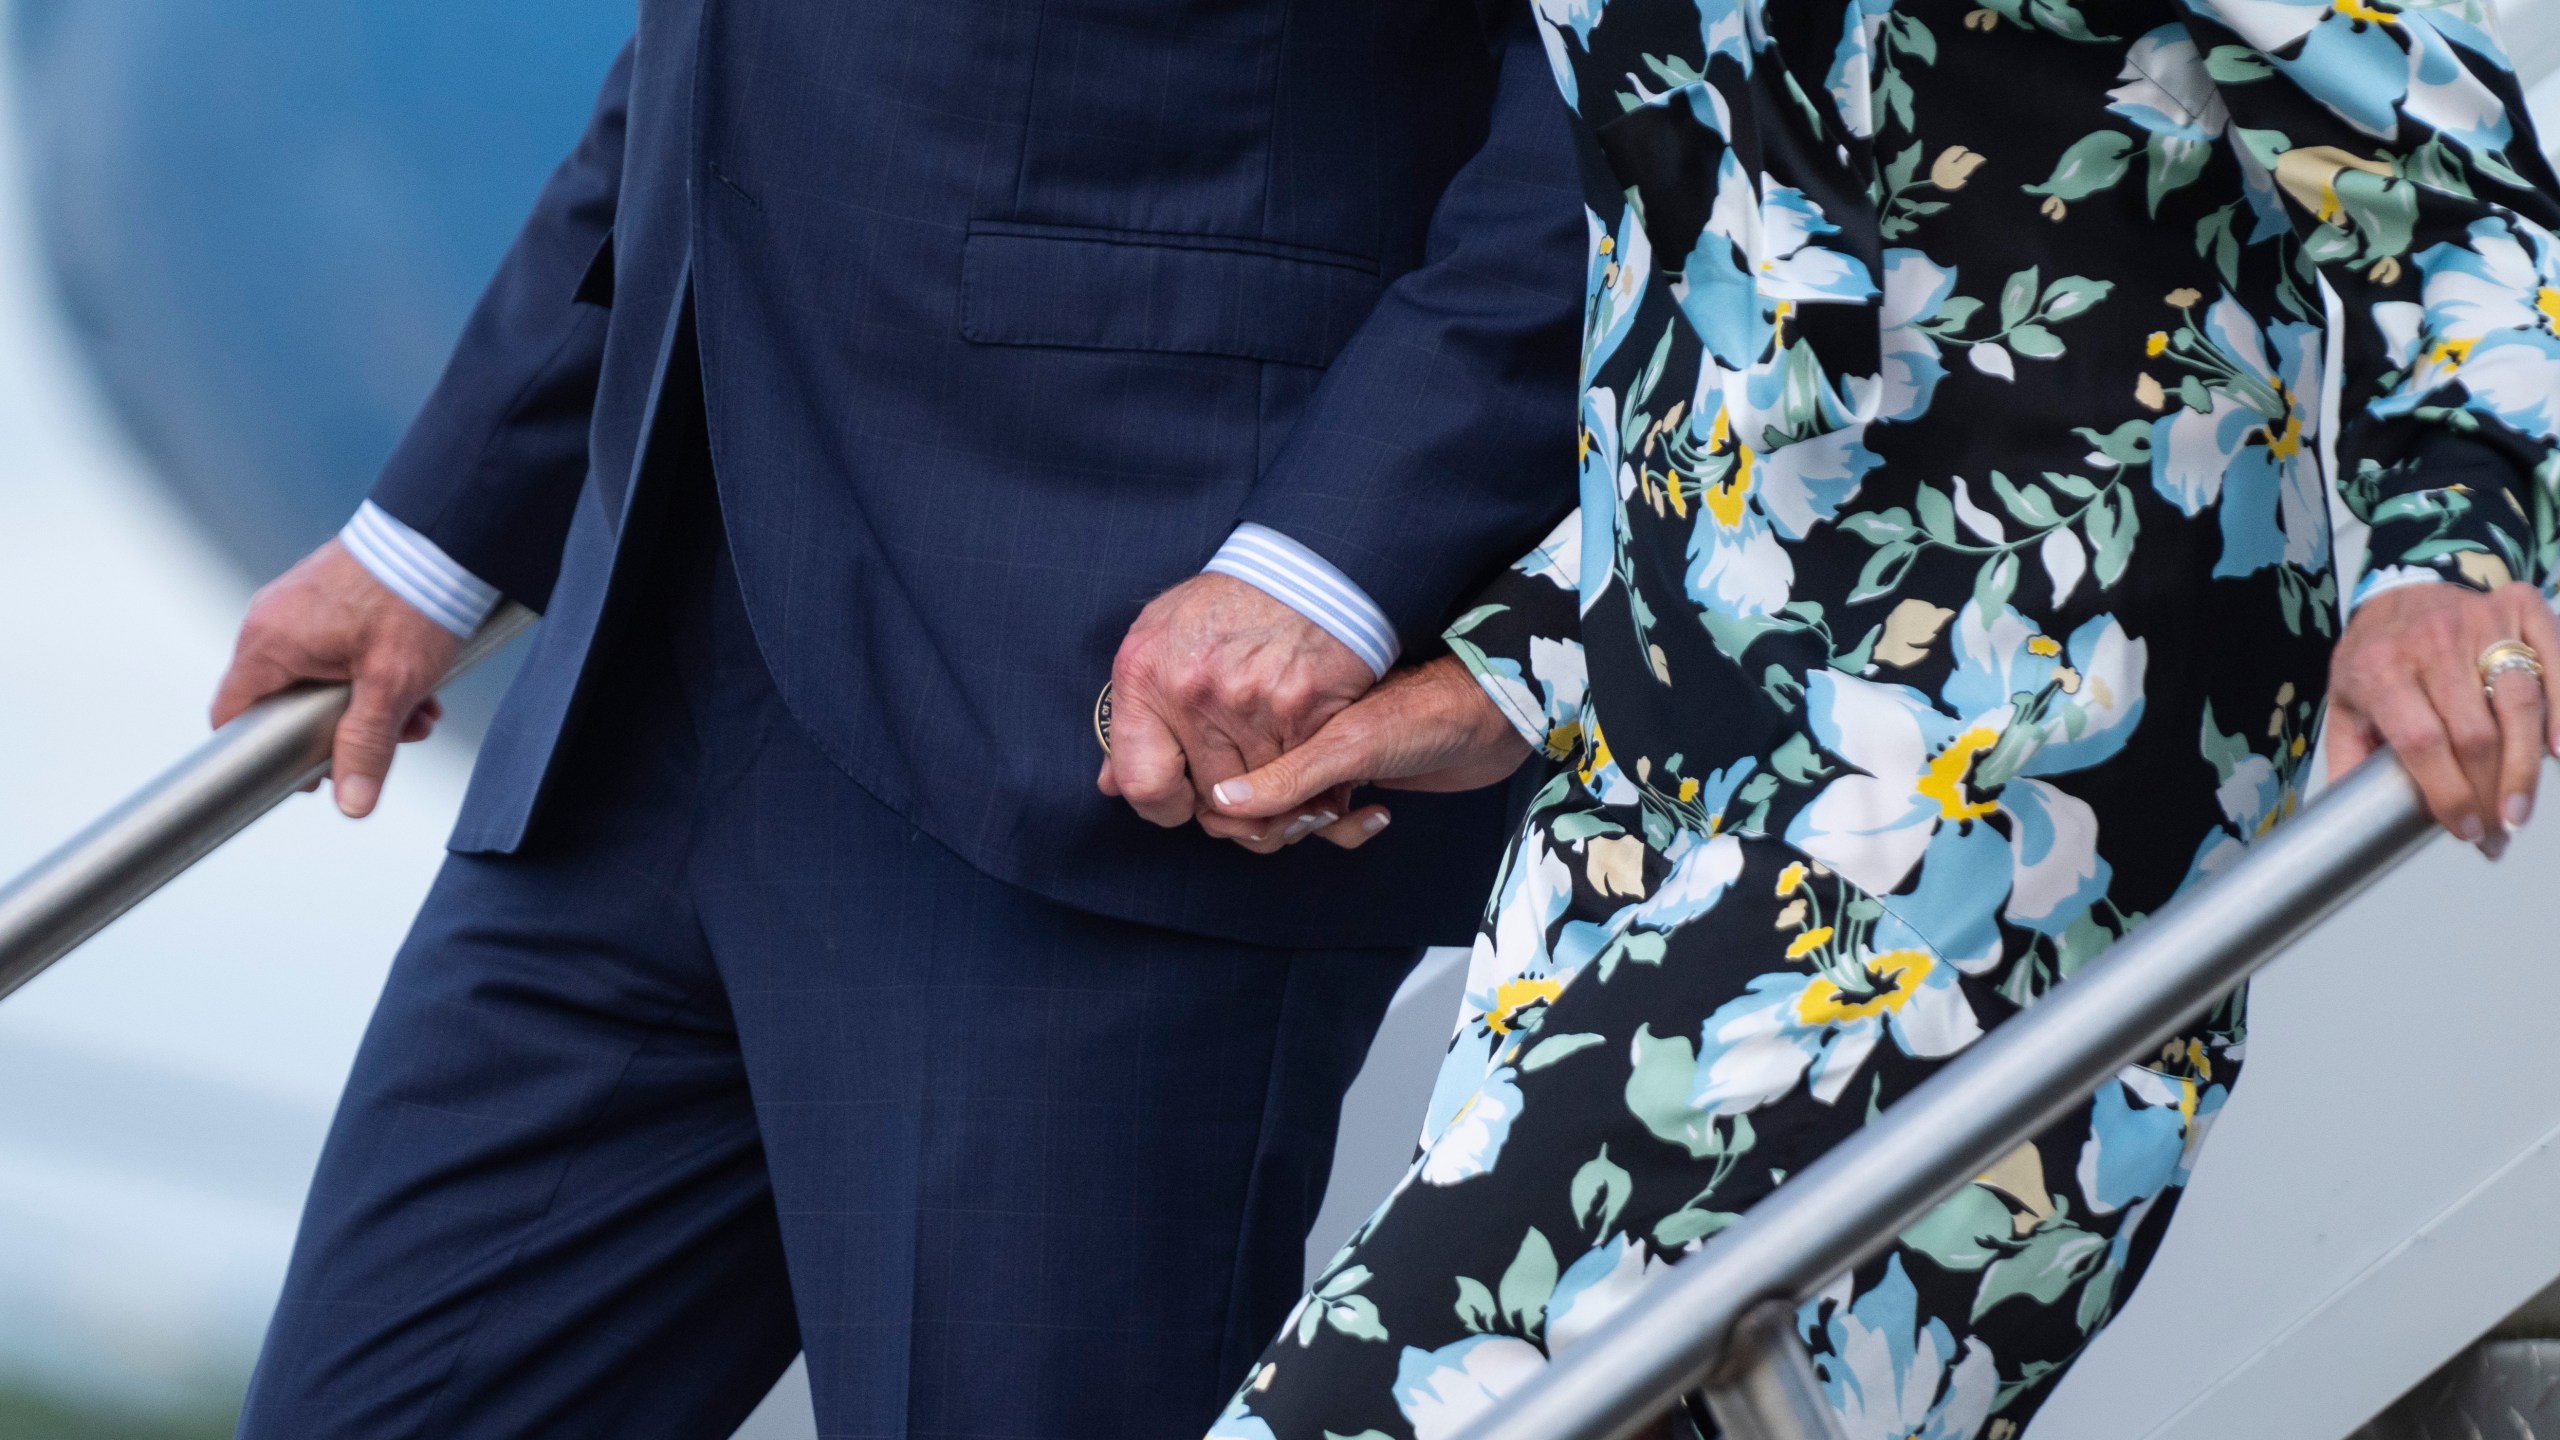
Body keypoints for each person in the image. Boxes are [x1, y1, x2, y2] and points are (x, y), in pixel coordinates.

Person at [204, 3, 1591, 1436]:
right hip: (644, 692)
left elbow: (1646, 89)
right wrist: (432, 529)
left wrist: (1328, 560)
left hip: (1108, 686)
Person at [1189, 0, 2560, 1435]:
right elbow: (1718, 251)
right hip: (1636, 792)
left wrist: (2447, 564)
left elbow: (2455, 183)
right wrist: (1529, 661)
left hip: (1996, 787)